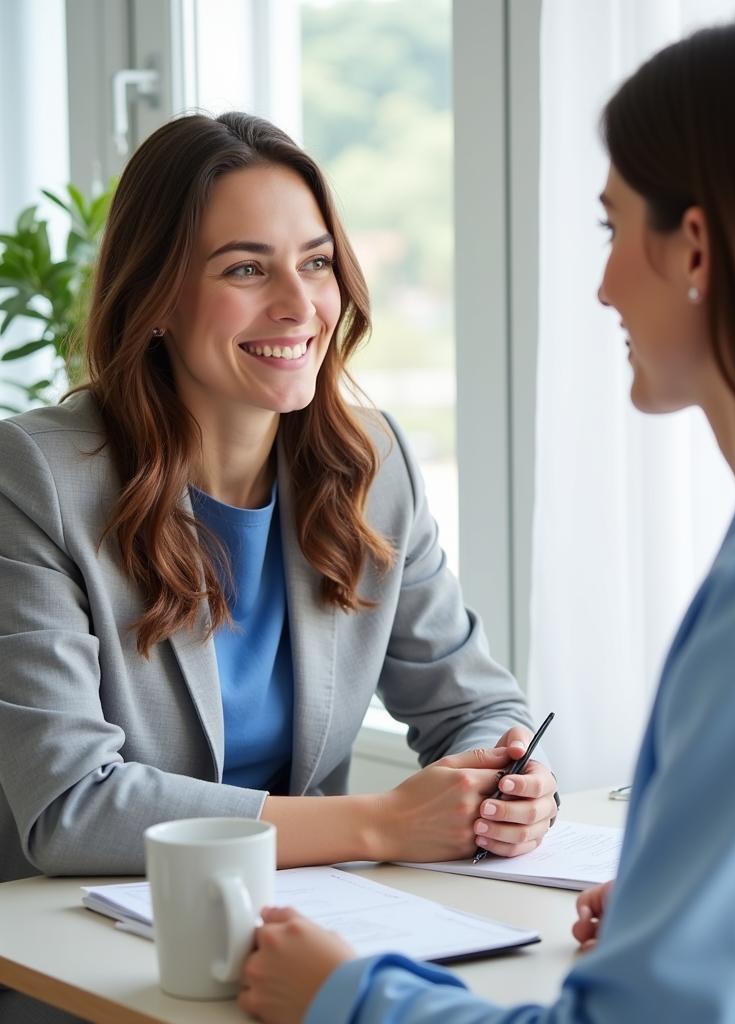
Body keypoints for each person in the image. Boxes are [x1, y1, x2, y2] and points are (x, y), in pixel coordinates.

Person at [236, 9, 735, 1023]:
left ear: (695, 246)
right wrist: (687, 914)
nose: (603, 284)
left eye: (613, 229)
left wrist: (347, 997)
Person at [0, 113, 557, 1021]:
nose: (299, 307)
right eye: (245, 268)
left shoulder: (370, 464)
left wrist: (504, 785)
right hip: (74, 963)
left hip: (294, 935)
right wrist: (380, 823)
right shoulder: (37, 478)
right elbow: (70, 806)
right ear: (158, 299)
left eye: (317, 261)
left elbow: (474, 703)